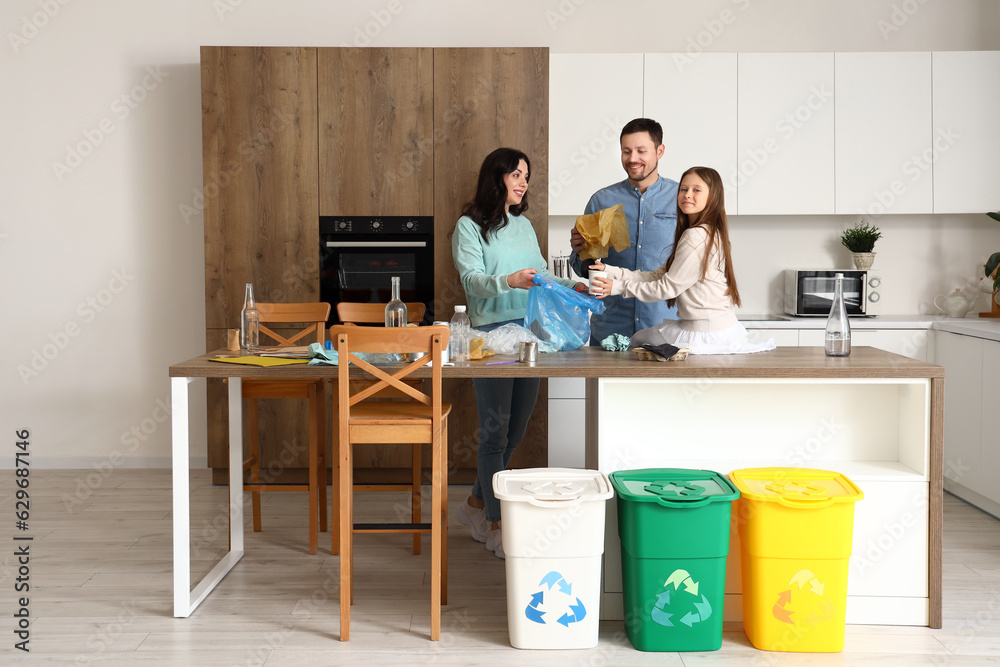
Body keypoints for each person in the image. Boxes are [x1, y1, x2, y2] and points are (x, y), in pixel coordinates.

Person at [451, 147, 585, 559]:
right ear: (496, 178)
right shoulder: (469, 227)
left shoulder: (524, 225)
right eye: (515, 174)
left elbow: (540, 275)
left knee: (515, 432)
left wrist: (571, 288)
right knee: (494, 434)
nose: (524, 182)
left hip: (527, 337)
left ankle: (475, 504)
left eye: (526, 175)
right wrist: (509, 279)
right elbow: (472, 281)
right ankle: (495, 522)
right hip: (487, 340)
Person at [590, 166, 775, 355]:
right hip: (720, 328)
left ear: (713, 196)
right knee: (641, 339)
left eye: (696, 190)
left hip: (704, 332)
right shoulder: (709, 232)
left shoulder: (696, 236)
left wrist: (617, 288)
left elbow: (666, 288)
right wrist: (610, 270)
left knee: (638, 339)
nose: (687, 195)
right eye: (684, 189)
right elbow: (657, 275)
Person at [569, 118, 679, 345]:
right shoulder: (602, 200)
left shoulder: (681, 199)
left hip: (666, 329)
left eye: (641, 151)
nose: (632, 159)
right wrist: (583, 254)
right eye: (626, 151)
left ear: (660, 151)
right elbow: (582, 267)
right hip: (611, 328)